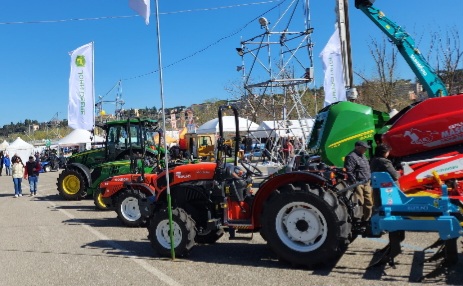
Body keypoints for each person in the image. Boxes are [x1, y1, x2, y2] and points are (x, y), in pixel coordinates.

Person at [344, 141, 373, 222]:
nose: (366, 149)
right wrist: (355, 183)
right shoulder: (351, 157)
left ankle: (366, 220)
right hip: (358, 183)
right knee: (359, 203)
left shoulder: (363, 156)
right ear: (357, 147)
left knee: (369, 203)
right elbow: (349, 171)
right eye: (364, 148)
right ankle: (358, 220)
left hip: (366, 183)